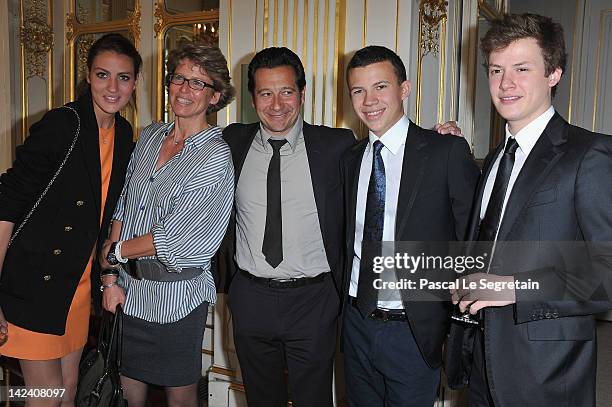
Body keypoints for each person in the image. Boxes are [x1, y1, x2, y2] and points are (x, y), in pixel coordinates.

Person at [448, 13, 612, 407]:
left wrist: (513, 287)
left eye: (522, 69)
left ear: (553, 74)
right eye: (496, 70)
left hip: (547, 375)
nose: (505, 84)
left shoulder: (589, 154)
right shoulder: (491, 161)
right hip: (481, 362)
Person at [0, 33, 140, 406]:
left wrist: (107, 275)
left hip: (76, 287)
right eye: (102, 75)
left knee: (68, 392)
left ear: (135, 82)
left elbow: (112, 212)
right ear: (88, 77)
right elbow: (7, 201)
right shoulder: (64, 124)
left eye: (123, 77)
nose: (112, 87)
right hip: (34, 282)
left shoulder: (124, 135)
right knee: (45, 397)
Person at [341, 45, 479, 407]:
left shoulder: (444, 151)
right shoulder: (350, 159)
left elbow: (472, 241)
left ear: (404, 89)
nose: (369, 100)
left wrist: (456, 323)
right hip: (356, 322)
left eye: (381, 87)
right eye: (358, 90)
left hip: (413, 330)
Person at [99, 42, 235, 407]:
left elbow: (174, 236)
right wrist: (110, 278)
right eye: (179, 79)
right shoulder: (150, 136)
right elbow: (125, 204)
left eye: (197, 83)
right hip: (130, 293)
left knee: (180, 398)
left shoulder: (215, 155)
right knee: (127, 394)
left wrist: (115, 252)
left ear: (215, 96)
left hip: (177, 300)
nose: (184, 90)